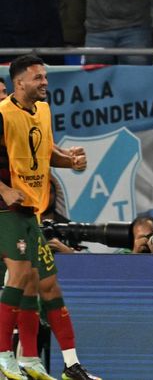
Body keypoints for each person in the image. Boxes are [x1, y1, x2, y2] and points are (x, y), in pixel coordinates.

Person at [0, 55, 100, 380]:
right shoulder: (2, 114)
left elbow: (45, 151)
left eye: (45, 76)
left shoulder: (42, 110)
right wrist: (4, 190)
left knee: (44, 284)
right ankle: (4, 355)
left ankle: (60, 363)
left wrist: (69, 161)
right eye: (38, 77)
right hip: (7, 212)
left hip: (32, 212)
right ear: (19, 82)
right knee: (19, 276)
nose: (45, 82)